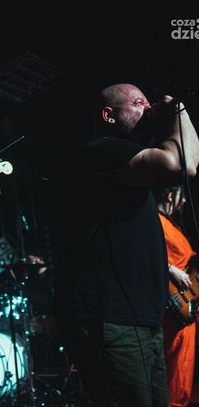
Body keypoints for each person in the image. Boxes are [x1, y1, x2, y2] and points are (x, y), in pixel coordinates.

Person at [53, 83, 199, 406]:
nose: (147, 108)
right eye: (137, 103)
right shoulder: (103, 151)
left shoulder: (129, 169)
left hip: (139, 318)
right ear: (109, 115)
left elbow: (186, 162)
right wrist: (178, 111)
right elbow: (182, 165)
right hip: (111, 317)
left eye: (147, 102)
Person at [156, 185, 197, 407]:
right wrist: (171, 268)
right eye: (181, 197)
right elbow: (147, 256)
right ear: (170, 195)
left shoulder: (172, 224)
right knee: (174, 376)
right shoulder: (155, 222)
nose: (184, 203)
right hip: (172, 311)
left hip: (187, 307)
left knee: (182, 375)